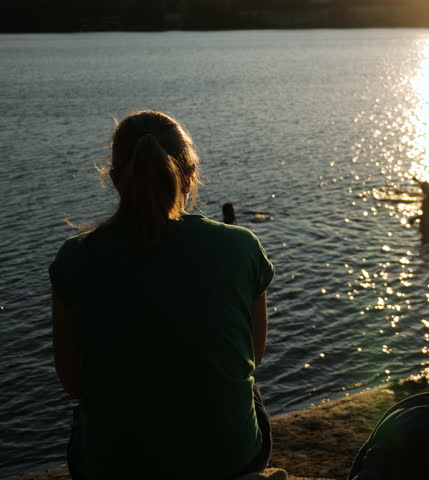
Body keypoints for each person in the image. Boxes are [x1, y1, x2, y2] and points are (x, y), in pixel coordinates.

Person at [49, 111, 275, 480]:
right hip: (228, 463)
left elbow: (73, 383)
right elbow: (252, 355)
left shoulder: (75, 257)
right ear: (189, 177)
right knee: (245, 386)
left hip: (110, 468)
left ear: (115, 178)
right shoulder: (240, 247)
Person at [409, 179, 429, 243]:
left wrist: (413, 218)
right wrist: (416, 180)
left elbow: (426, 215)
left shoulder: (427, 200)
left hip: (426, 224)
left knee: (425, 240)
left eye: (422, 189)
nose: (421, 191)